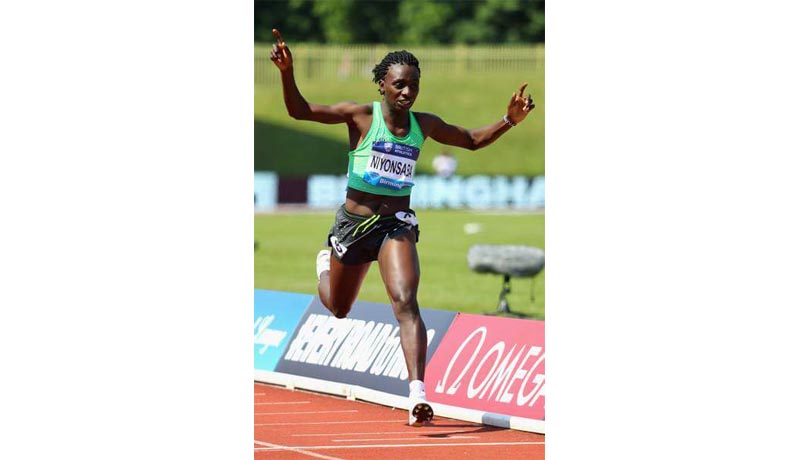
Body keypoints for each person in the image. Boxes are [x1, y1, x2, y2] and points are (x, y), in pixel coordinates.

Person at [269, 29, 535, 427]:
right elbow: (299, 111)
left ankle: (416, 395)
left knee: (405, 300)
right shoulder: (359, 117)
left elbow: (472, 140)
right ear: (382, 85)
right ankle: (324, 264)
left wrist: (508, 121)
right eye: (399, 84)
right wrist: (287, 73)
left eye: (413, 85)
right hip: (353, 227)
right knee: (339, 308)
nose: (407, 92)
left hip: (395, 224)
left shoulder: (422, 125)